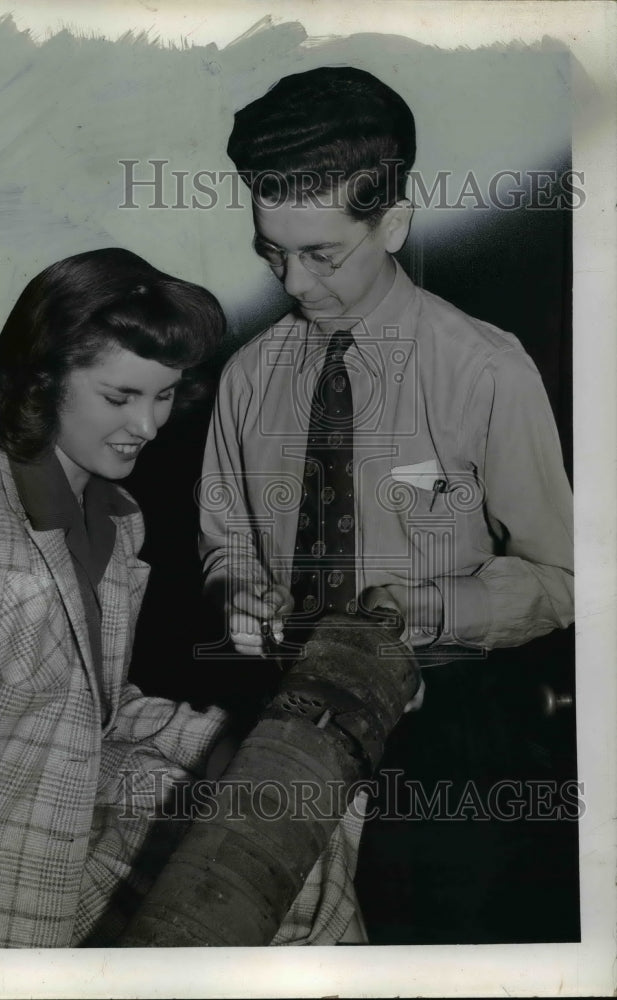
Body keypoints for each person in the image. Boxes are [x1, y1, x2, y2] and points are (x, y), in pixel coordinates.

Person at [199, 67, 574, 940]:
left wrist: (427, 611)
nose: (293, 283)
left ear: (393, 223)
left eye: (321, 254)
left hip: (448, 745)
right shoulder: (246, 378)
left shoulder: (485, 369)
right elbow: (226, 543)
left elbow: (565, 576)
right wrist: (235, 590)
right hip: (287, 730)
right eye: (271, 253)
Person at [0, 248, 233, 949]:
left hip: (65, 859)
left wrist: (228, 746)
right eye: (120, 397)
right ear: (44, 380)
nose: (148, 426)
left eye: (165, 395)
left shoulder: (119, 517)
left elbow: (88, 708)